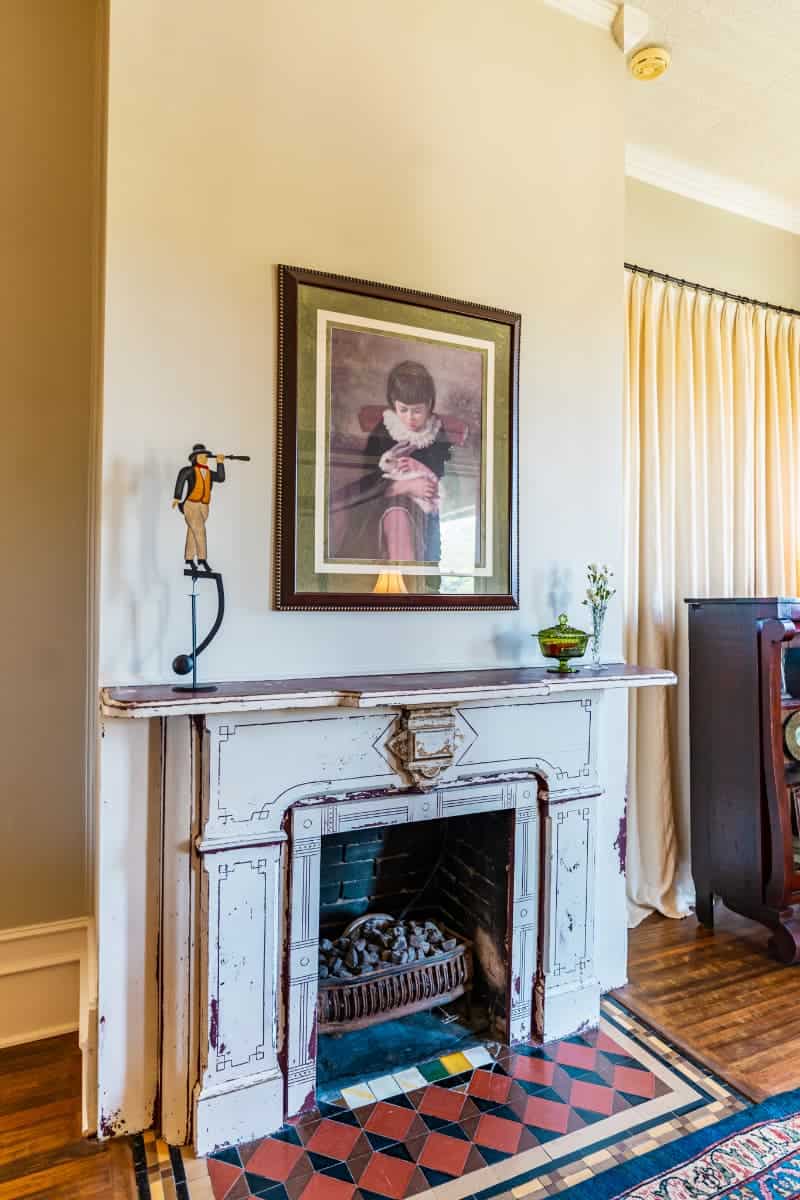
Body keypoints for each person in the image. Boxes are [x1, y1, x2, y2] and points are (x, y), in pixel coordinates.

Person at [333, 360, 452, 564]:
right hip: (385, 502)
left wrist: (425, 483)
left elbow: (442, 473)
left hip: (425, 506)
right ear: (393, 403)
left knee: (429, 546)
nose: (410, 418)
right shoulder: (384, 430)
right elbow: (369, 479)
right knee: (397, 518)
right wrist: (403, 486)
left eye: (417, 411)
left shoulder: (435, 432)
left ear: (430, 404)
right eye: (403, 409)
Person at [172, 444, 225, 571]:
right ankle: (202, 559)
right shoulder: (189, 470)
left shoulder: (209, 473)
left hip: (204, 506)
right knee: (200, 531)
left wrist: (220, 463)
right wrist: (177, 497)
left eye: (205, 456)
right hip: (191, 505)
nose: (204, 458)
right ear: (195, 458)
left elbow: (221, 478)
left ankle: (189, 558)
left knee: (193, 531)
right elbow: (181, 479)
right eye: (201, 456)